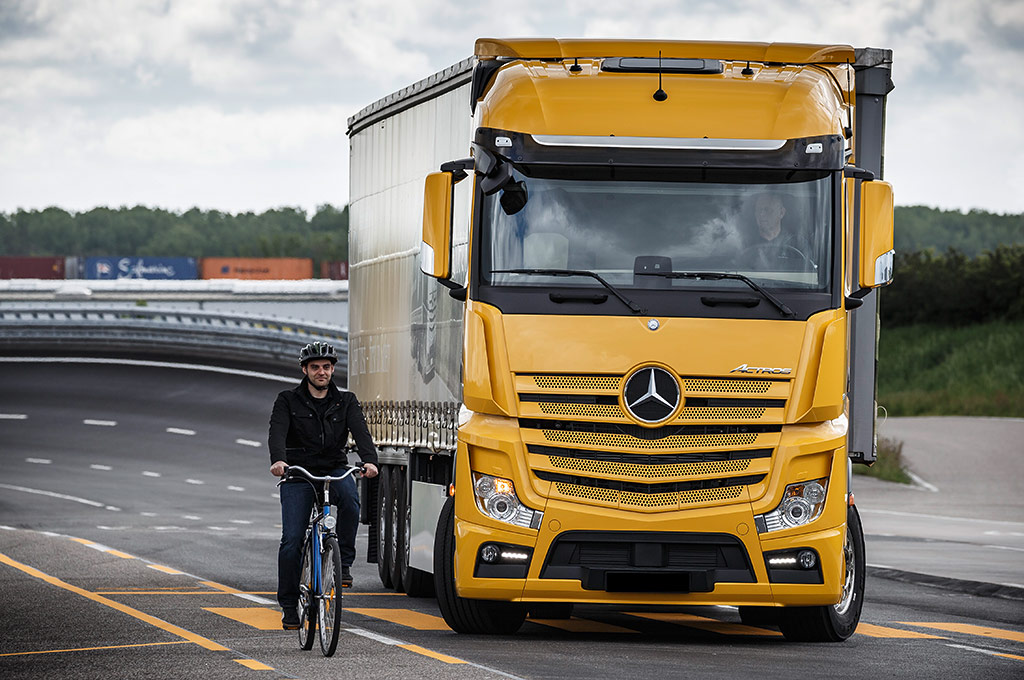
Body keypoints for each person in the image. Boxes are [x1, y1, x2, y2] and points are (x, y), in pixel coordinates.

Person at [268, 341, 379, 630]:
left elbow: (361, 432)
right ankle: (290, 606)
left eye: (327, 367)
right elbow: (277, 432)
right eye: (315, 367)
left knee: (351, 500)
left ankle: (343, 563)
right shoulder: (287, 400)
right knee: (292, 540)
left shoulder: (346, 401)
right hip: (298, 473)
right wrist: (279, 460)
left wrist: (370, 460)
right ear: (305, 370)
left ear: (332, 370)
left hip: (333, 468)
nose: (321, 372)